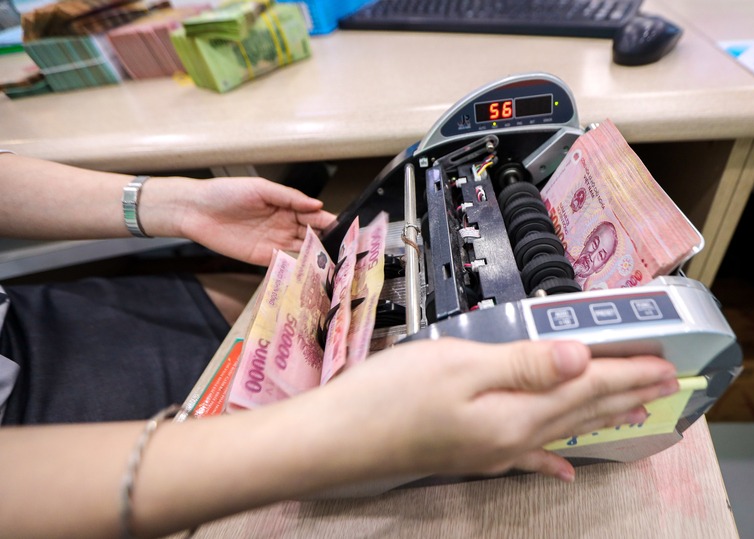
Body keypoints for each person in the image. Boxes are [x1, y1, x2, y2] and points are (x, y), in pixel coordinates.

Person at [0, 151, 681, 538]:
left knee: (260, 308)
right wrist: (325, 439)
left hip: (25, 324)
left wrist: (171, 204)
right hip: (38, 456)